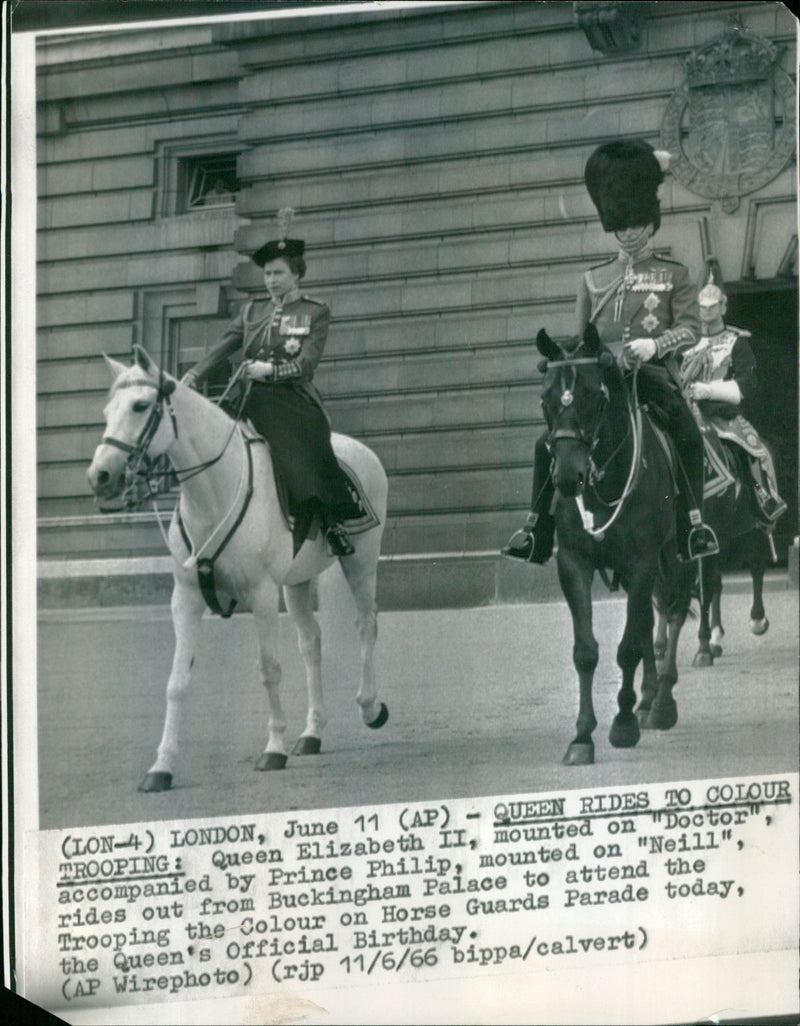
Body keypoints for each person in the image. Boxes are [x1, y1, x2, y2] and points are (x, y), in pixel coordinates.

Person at [503, 139, 718, 564]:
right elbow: (581, 336)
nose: (629, 231)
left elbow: (692, 329)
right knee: (546, 443)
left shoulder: (674, 275)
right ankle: (536, 529)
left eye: (636, 223)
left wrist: (655, 344)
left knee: (689, 437)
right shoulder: (593, 279)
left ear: (650, 223)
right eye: (621, 225)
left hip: (651, 379)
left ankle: (692, 525)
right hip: (599, 384)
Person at [183, 208, 359, 557]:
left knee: (306, 442)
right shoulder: (251, 312)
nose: (271, 280)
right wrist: (193, 375)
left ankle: (328, 518)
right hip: (248, 395)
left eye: (279, 273)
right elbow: (223, 347)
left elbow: (307, 363)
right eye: (267, 273)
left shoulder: (314, 312)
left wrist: (271, 372)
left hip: (292, 398)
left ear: (296, 275)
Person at [681, 275, 787, 527]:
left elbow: (748, 385)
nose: (706, 312)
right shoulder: (686, 343)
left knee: (753, 448)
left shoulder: (737, 342)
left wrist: (707, 390)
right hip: (686, 412)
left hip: (721, 415)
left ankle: (762, 500)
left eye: (712, 306)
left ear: (723, 307)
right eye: (702, 306)